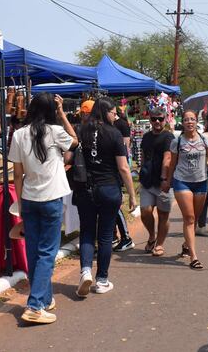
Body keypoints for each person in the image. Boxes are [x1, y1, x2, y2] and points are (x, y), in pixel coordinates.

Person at [8, 93, 78, 324]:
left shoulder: (18, 134)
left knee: (34, 252)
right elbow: (75, 141)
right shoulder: (55, 131)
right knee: (47, 253)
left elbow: (17, 174)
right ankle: (35, 305)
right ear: (50, 110)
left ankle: (45, 298)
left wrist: (19, 204)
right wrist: (62, 113)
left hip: (29, 198)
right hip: (51, 198)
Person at [75, 98, 137, 297]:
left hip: (85, 189)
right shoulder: (114, 133)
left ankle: (85, 270)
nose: (115, 115)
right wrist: (132, 195)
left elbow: (69, 157)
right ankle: (102, 280)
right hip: (109, 188)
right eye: (112, 112)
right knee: (105, 236)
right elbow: (123, 167)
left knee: (86, 232)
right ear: (105, 112)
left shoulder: (82, 131)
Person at [169, 110, 208, 268]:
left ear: (197, 122)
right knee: (189, 218)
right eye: (186, 119)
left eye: (192, 119)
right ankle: (194, 257)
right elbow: (172, 163)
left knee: (195, 218)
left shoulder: (205, 139)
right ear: (182, 122)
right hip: (182, 181)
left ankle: (186, 244)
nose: (189, 122)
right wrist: (167, 181)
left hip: (201, 182)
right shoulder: (177, 141)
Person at [138, 107, 174, 256]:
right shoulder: (146, 137)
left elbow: (168, 158)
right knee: (145, 212)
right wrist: (142, 171)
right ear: (150, 120)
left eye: (160, 119)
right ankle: (152, 236)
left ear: (165, 119)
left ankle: (159, 244)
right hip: (147, 181)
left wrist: (165, 179)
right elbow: (144, 156)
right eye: (154, 119)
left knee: (163, 214)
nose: (157, 122)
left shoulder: (168, 137)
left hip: (163, 182)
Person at [112, 107, 134, 252]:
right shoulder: (106, 128)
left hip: (117, 169)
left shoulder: (121, 125)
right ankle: (114, 236)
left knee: (115, 206)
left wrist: (132, 195)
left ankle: (126, 238)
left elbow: (125, 147)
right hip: (110, 171)